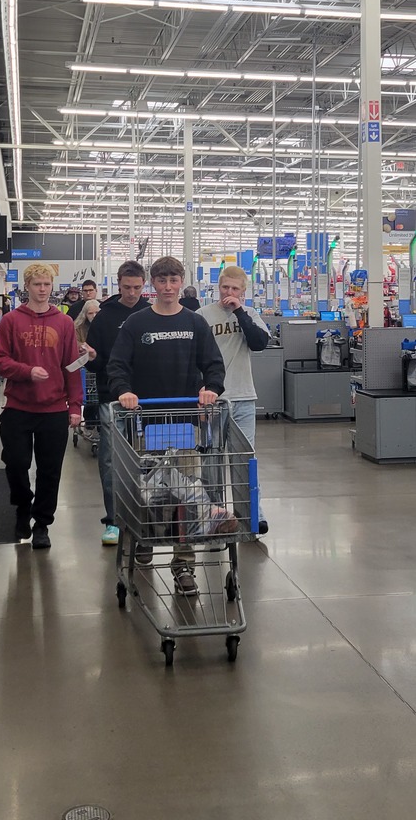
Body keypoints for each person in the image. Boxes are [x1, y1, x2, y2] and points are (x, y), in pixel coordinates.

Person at [109, 255, 225, 596]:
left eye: (174, 280)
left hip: (186, 424)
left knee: (187, 494)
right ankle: (143, 539)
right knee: (146, 492)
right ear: (153, 285)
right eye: (162, 281)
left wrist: (211, 389)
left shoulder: (195, 323)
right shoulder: (136, 324)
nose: (169, 287)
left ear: (180, 282)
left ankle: (183, 564)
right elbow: (118, 365)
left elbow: (213, 364)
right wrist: (125, 391)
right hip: (144, 424)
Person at [0, 263, 82, 550]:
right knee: (16, 463)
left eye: (46, 284)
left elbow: (71, 366)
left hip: (54, 409)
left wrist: (75, 406)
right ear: (27, 287)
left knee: (50, 470)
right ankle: (22, 506)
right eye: (37, 284)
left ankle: (42, 523)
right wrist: (26, 371)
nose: (42, 289)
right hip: (18, 406)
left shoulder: (64, 323)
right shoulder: (11, 321)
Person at [197, 265, 270, 535]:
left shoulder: (250, 314)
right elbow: (195, 359)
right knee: (211, 461)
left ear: (243, 291)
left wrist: (240, 311)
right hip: (212, 400)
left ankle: (252, 514)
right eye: (225, 287)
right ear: (218, 286)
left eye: (235, 289)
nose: (229, 293)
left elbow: (259, 342)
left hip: (243, 399)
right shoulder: (202, 315)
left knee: (245, 460)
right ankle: (214, 514)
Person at [82, 261, 147, 546]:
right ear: (118, 284)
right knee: (110, 461)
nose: (132, 293)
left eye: (137, 288)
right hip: (114, 399)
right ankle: (113, 520)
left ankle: (144, 514)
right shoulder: (105, 316)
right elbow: (96, 365)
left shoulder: (151, 312)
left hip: (150, 399)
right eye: (126, 287)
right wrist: (92, 357)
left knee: (151, 460)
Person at [74, 299, 101, 427]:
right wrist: (83, 347)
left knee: (97, 395)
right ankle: (89, 421)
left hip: (99, 364)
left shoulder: (105, 325)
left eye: (97, 312)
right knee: (89, 395)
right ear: (85, 314)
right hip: (84, 366)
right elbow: (75, 343)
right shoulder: (78, 327)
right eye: (90, 313)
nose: (94, 316)